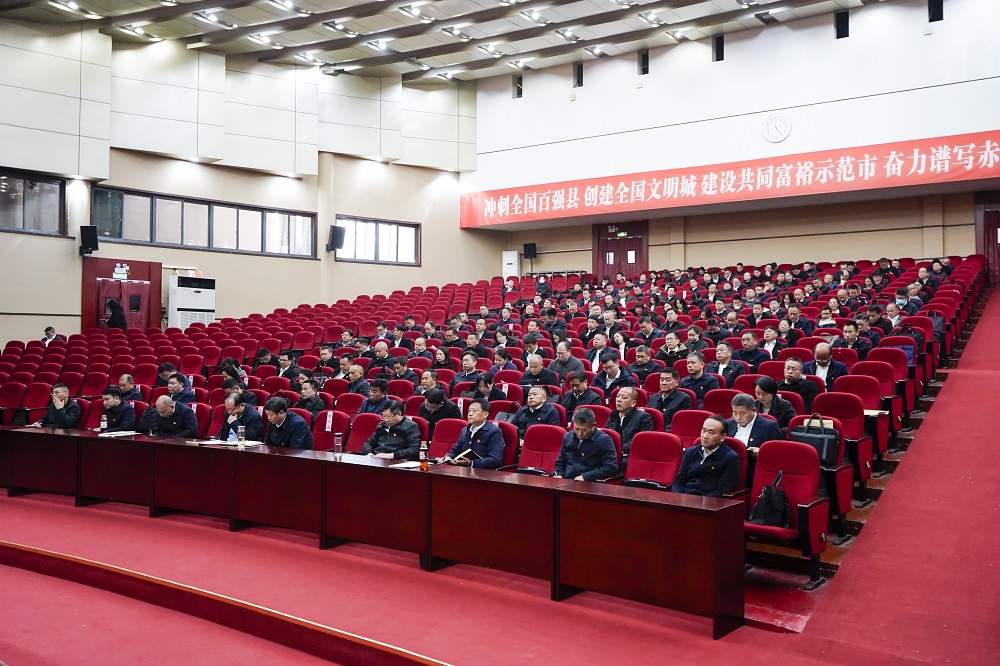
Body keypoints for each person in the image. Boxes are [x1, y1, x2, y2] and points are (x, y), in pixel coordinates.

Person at [670, 415, 741, 497]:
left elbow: (724, 489)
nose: (705, 436)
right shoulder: (691, 452)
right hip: (685, 496)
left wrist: (701, 501)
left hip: (709, 500)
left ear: (723, 437)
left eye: (711, 433)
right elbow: (679, 481)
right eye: (704, 431)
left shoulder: (731, 458)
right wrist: (678, 497)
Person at [728, 393, 782, 485]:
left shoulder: (769, 426)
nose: (738, 417)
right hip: (730, 468)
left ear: (753, 410)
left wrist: (762, 452)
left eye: (742, 413)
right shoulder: (728, 424)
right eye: (734, 413)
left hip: (753, 472)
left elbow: (778, 453)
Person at [552, 409, 618, 481]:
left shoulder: (604, 440)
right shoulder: (568, 437)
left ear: (593, 425)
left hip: (589, 483)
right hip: (566, 481)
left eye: (584, 430)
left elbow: (611, 468)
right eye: (577, 429)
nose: (580, 433)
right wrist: (559, 474)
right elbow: (560, 462)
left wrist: (586, 477)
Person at [441, 398, 505, 468]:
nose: (470, 414)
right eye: (469, 411)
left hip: (483, 471)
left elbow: (495, 460)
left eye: (474, 411)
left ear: (485, 414)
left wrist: (471, 463)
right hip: (463, 469)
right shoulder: (465, 430)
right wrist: (448, 458)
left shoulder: (494, 432)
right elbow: (455, 450)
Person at [605, 387, 654, 460]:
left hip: (630, 456)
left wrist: (618, 449)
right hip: (611, 453)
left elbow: (642, 441)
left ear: (633, 403)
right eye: (617, 396)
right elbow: (605, 435)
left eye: (624, 397)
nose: (618, 400)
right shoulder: (613, 415)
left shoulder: (644, 417)